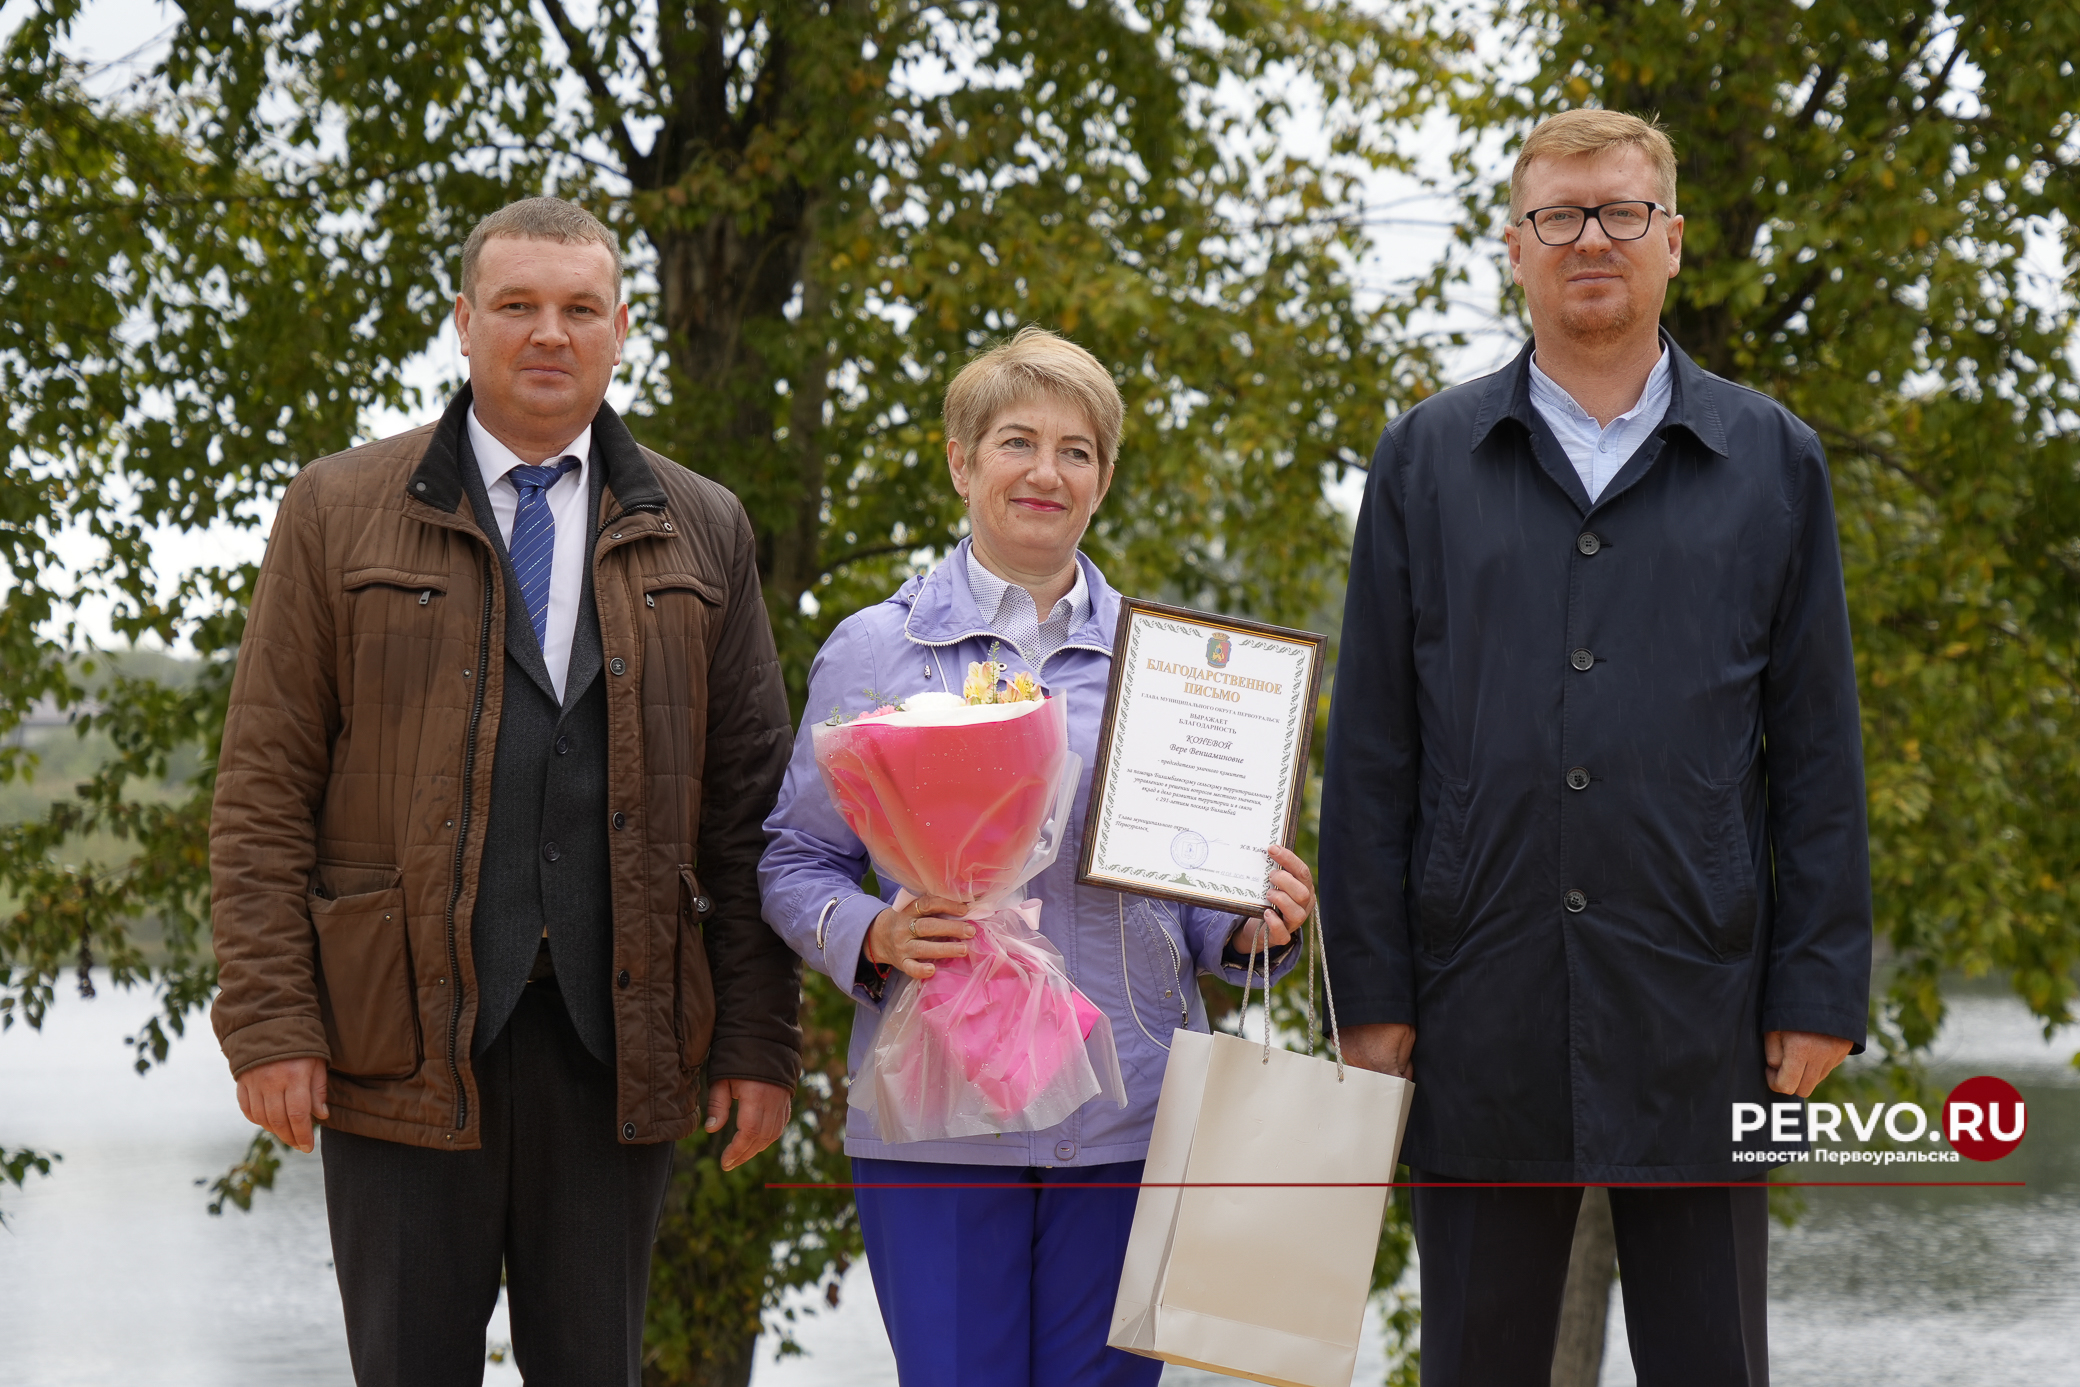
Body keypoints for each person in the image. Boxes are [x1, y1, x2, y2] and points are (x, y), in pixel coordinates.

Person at [1319, 109, 1872, 1385]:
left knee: (1712, 1360)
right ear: (1514, 247)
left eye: (1621, 212)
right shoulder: (1423, 462)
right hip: (1474, 1002)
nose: (1590, 238)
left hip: (1704, 1003)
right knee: (1473, 1361)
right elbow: (1374, 754)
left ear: (1671, 242)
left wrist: (1817, 985)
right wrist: (1374, 992)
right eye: (1558, 214)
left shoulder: (1772, 462)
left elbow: (1815, 745)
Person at [209, 197, 802, 1385]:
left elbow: (751, 812)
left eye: (579, 309)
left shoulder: (705, 527)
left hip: (618, 1044)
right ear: (464, 322)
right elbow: (264, 787)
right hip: (398, 1042)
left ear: (620, 329)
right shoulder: (335, 508)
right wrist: (270, 1023)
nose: (549, 333)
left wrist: (756, 1039)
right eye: (519, 306)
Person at [760, 326, 1316, 1387]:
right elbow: (793, 860)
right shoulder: (873, 648)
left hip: (1131, 1119)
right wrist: (868, 932)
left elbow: (1192, 899)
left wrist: (1249, 923)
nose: (1045, 472)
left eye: (1076, 451)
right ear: (961, 461)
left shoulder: (1178, 667)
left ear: (1102, 480)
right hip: (935, 1114)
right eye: (1017, 441)